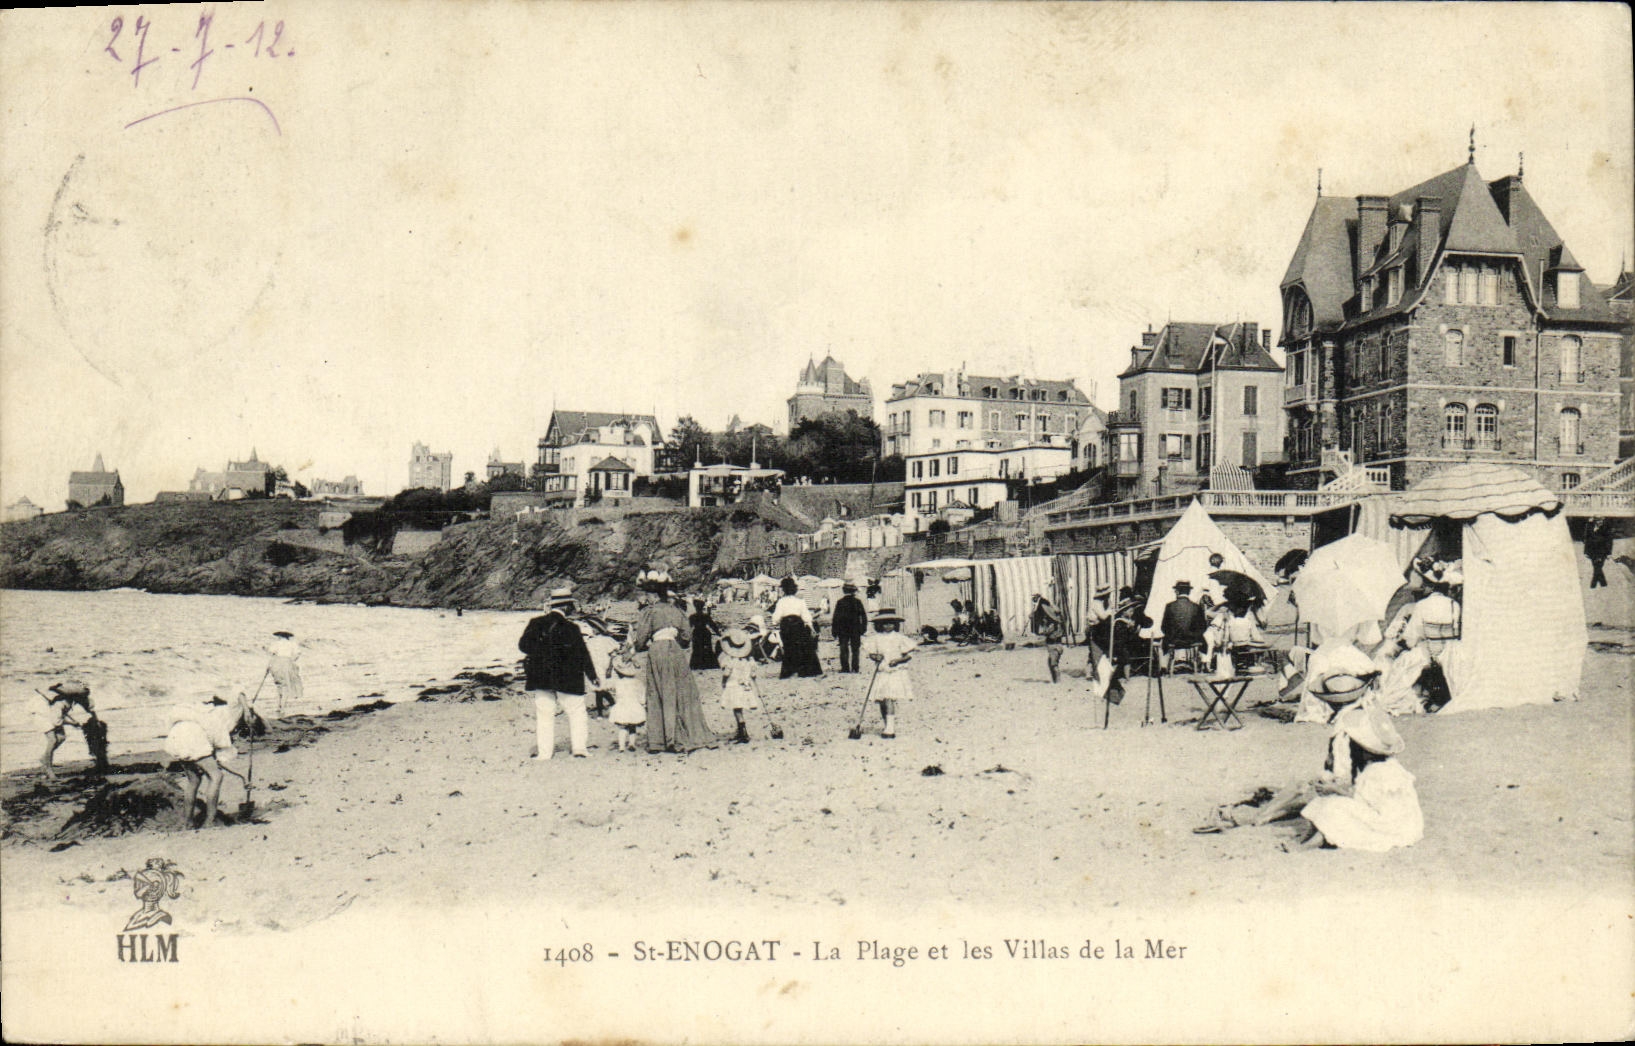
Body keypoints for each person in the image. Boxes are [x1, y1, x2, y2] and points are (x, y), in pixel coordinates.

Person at [1194, 645, 1423, 852]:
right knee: (1300, 792)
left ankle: (1249, 816)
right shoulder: (1368, 710)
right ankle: (1254, 814)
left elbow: (1342, 776)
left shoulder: (1346, 725)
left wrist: (1324, 786)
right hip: (1383, 796)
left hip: (1364, 793)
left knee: (1308, 796)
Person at [633, 577, 717, 753]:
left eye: (648, 595)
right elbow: (686, 637)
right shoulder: (676, 610)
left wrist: (640, 646)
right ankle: (689, 732)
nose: (646, 599)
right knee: (682, 691)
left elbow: (641, 638)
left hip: (658, 650)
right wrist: (676, 639)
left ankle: (661, 739)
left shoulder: (650, 611)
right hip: (676, 651)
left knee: (658, 691)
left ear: (654, 595)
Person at [517, 589, 601, 760]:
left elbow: (523, 646)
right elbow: (582, 654)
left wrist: (541, 652)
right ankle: (579, 749)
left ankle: (545, 753)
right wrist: (592, 675)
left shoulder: (535, 623)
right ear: (567, 607)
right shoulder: (572, 628)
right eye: (571, 605)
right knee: (576, 712)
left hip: (541, 676)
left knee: (544, 715)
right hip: (568, 678)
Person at [163, 693, 252, 829]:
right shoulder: (220, 717)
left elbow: (213, 760)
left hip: (177, 737)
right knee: (216, 776)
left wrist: (242, 777)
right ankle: (210, 820)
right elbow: (219, 760)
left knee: (194, 781)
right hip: (194, 737)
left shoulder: (197, 710)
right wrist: (243, 778)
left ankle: (187, 821)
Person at [862, 608, 916, 739]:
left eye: (891, 623)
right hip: (881, 672)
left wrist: (898, 660)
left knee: (889, 698)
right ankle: (887, 725)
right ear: (879, 625)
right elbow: (871, 653)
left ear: (895, 624)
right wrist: (875, 656)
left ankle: (890, 729)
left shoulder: (899, 638)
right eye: (885, 623)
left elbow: (909, 655)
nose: (888, 626)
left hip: (894, 672)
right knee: (881, 701)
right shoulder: (876, 638)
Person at [39, 680, 108, 780]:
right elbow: (56, 721)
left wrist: (95, 721)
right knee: (52, 739)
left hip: (52, 714)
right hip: (39, 712)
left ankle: (45, 759)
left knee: (61, 737)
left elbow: (89, 707)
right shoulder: (61, 703)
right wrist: (72, 723)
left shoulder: (75, 699)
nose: (82, 699)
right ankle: (49, 770)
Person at [717, 629, 763, 744]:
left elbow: (726, 673)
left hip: (733, 686)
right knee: (740, 707)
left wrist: (723, 682)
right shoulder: (749, 660)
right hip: (745, 687)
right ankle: (740, 731)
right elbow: (753, 675)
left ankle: (743, 732)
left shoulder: (730, 660)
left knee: (736, 709)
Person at [772, 577, 823, 679]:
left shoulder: (781, 602)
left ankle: (789, 671)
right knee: (801, 647)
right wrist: (811, 628)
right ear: (794, 589)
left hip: (786, 625)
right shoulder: (800, 601)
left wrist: (775, 622)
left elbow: (776, 618)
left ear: (784, 590)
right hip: (798, 625)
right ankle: (803, 671)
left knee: (788, 648)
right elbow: (806, 617)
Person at [1159, 580, 1208, 670]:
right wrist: (1194, 634)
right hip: (1192, 640)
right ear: (1189, 592)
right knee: (1205, 640)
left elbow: (1163, 627)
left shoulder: (1169, 606)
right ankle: (1204, 664)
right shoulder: (1196, 607)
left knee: (1162, 641)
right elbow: (1203, 627)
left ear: (1177, 591)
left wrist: (1171, 635)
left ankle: (1163, 667)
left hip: (1174, 640)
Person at [607, 654, 646, 752]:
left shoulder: (618, 682)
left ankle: (621, 746)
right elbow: (642, 695)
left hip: (622, 706)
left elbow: (612, 691)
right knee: (632, 726)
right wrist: (642, 703)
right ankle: (632, 743)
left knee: (622, 727)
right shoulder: (638, 682)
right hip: (634, 706)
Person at [264, 630, 304, 716]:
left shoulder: (276, 643)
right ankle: (282, 707)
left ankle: (278, 706)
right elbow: (297, 654)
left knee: (279, 685)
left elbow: (272, 655)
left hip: (276, 663)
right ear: (288, 636)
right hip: (287, 663)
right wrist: (291, 661)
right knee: (286, 686)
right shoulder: (292, 644)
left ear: (280, 636)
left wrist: (268, 666)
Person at [831, 582, 869, 673]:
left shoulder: (840, 602)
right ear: (853, 592)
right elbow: (863, 616)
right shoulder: (857, 602)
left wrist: (834, 631)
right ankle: (855, 668)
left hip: (842, 629)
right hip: (855, 629)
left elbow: (835, 618)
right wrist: (863, 628)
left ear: (844, 591)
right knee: (855, 649)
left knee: (843, 648)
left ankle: (845, 668)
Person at [1031, 593, 1066, 683]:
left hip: (1053, 641)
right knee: (1051, 662)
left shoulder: (1052, 622)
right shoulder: (1057, 618)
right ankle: (1056, 681)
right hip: (1057, 641)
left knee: (1053, 663)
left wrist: (1044, 631)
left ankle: (1057, 681)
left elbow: (1048, 630)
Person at [688, 599, 721, 670]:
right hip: (705, 632)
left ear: (695, 607)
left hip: (697, 633)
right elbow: (713, 625)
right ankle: (708, 664)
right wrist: (718, 633)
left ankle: (697, 665)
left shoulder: (692, 617)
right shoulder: (706, 616)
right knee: (707, 648)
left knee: (697, 648)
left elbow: (688, 627)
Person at [1584, 518, 1613, 589]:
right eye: (1598, 521)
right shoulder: (1590, 527)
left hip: (1602, 552)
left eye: (1601, 521)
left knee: (1598, 567)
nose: (1600, 522)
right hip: (1592, 551)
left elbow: (1609, 541)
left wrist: (1609, 553)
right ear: (1595, 521)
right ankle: (1603, 583)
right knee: (1596, 567)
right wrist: (1586, 552)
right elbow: (1587, 540)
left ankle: (1593, 585)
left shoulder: (1606, 529)